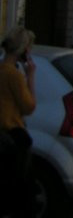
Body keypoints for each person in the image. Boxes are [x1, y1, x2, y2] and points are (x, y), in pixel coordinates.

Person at [1, 26, 37, 218]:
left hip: (3, 136)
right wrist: (31, 76)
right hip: (14, 135)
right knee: (21, 190)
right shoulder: (14, 75)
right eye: (29, 47)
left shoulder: (2, 69)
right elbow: (29, 107)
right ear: (23, 49)